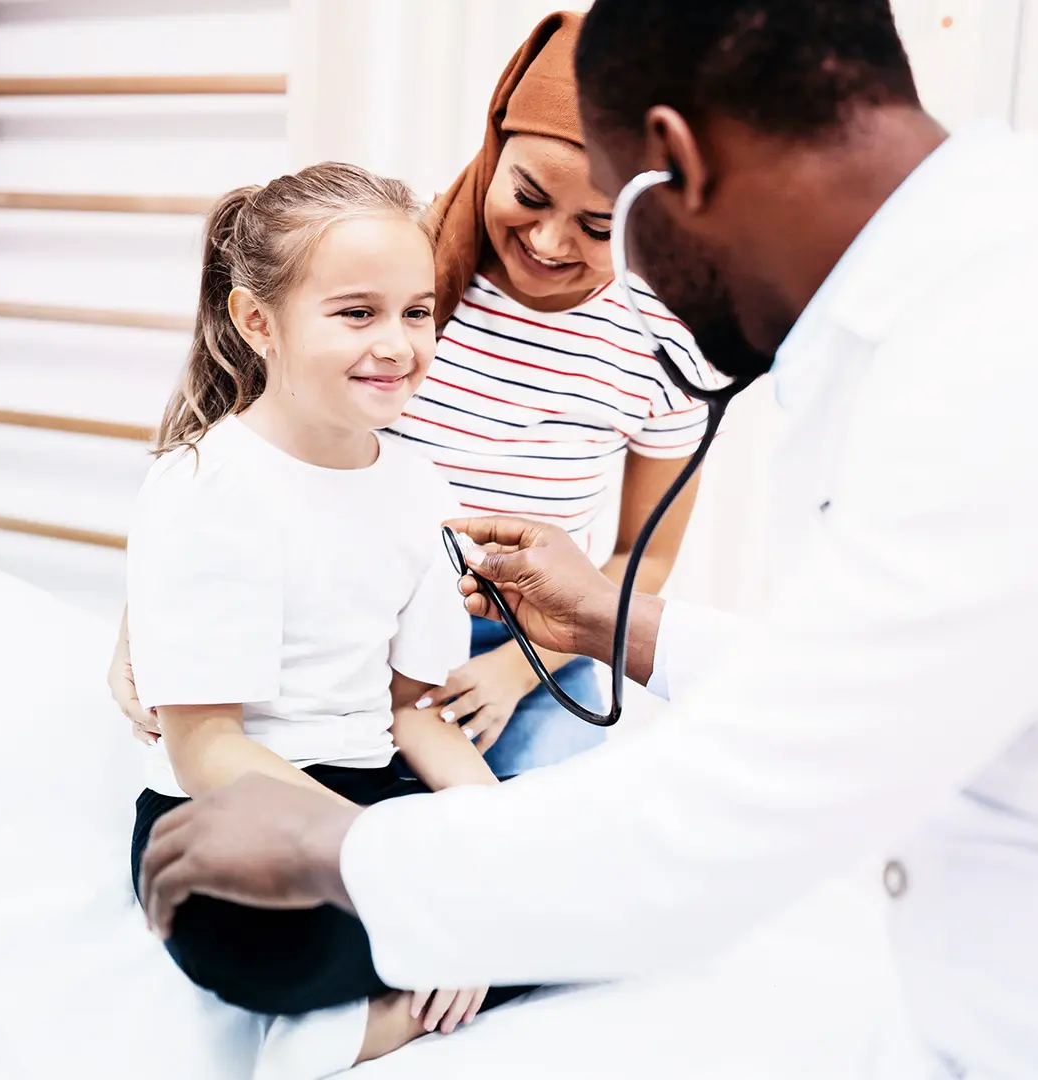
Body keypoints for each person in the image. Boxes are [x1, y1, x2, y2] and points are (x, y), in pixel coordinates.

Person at [137, 2, 1038, 1075]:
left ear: (673, 168)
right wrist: (617, 623)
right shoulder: (962, 302)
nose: (589, 260)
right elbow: (890, 683)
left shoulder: (987, 353)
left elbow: (730, 814)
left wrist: (362, 852)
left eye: (607, 217)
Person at [109, 10, 719, 778]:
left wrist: (516, 670)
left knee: (540, 839)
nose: (549, 242)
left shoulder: (665, 342)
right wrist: (152, 623)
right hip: (348, 622)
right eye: (527, 195)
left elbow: (644, 557)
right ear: (493, 146)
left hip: (540, 641)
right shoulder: (396, 263)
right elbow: (249, 453)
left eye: (597, 225)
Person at [126, 163, 528, 1078]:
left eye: (416, 312)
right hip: (228, 810)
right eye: (356, 313)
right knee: (281, 951)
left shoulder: (420, 484)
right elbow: (205, 746)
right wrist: (405, 872)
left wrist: (499, 846)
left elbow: (411, 710)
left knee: (591, 902)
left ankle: (384, 1009)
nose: (396, 344)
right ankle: (359, 1017)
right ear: (256, 322)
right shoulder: (206, 490)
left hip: (370, 790)